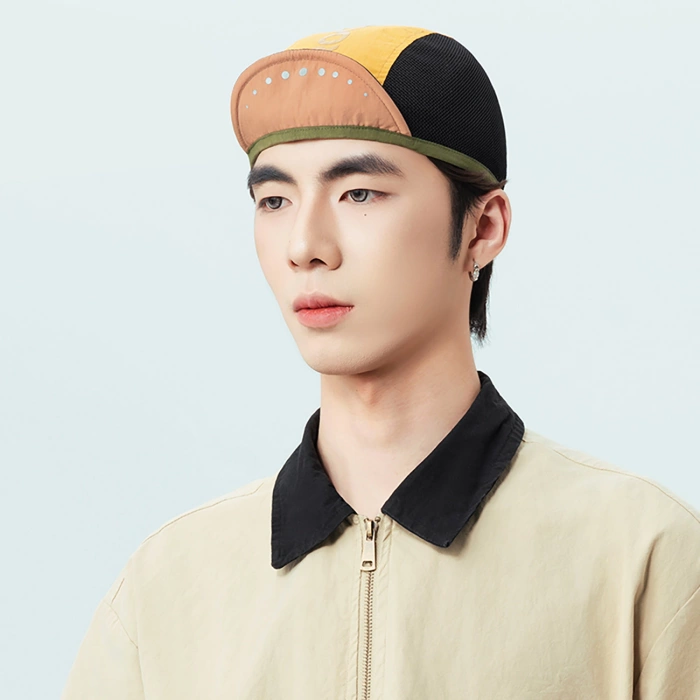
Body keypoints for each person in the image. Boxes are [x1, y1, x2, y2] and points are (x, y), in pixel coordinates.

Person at [61, 25, 700, 699]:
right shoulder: (166, 587)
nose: (305, 245)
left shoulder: (641, 556)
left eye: (359, 193)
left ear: (483, 228)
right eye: (274, 200)